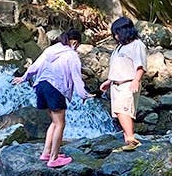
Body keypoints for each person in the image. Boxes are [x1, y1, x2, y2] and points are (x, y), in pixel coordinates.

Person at [11, 29, 92, 168]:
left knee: (54, 122)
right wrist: (83, 94)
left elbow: (34, 66)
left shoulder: (50, 50)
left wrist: (23, 78)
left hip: (41, 86)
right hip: (55, 88)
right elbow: (76, 77)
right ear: (74, 42)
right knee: (60, 124)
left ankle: (46, 153)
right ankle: (54, 159)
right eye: (77, 45)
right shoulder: (72, 55)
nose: (77, 48)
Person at [99, 17, 147, 151]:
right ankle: (128, 141)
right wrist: (109, 81)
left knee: (123, 111)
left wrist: (136, 80)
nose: (116, 36)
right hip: (116, 85)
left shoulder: (136, 45)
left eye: (117, 33)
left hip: (128, 83)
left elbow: (141, 66)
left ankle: (131, 138)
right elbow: (118, 67)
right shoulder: (120, 47)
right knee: (119, 112)